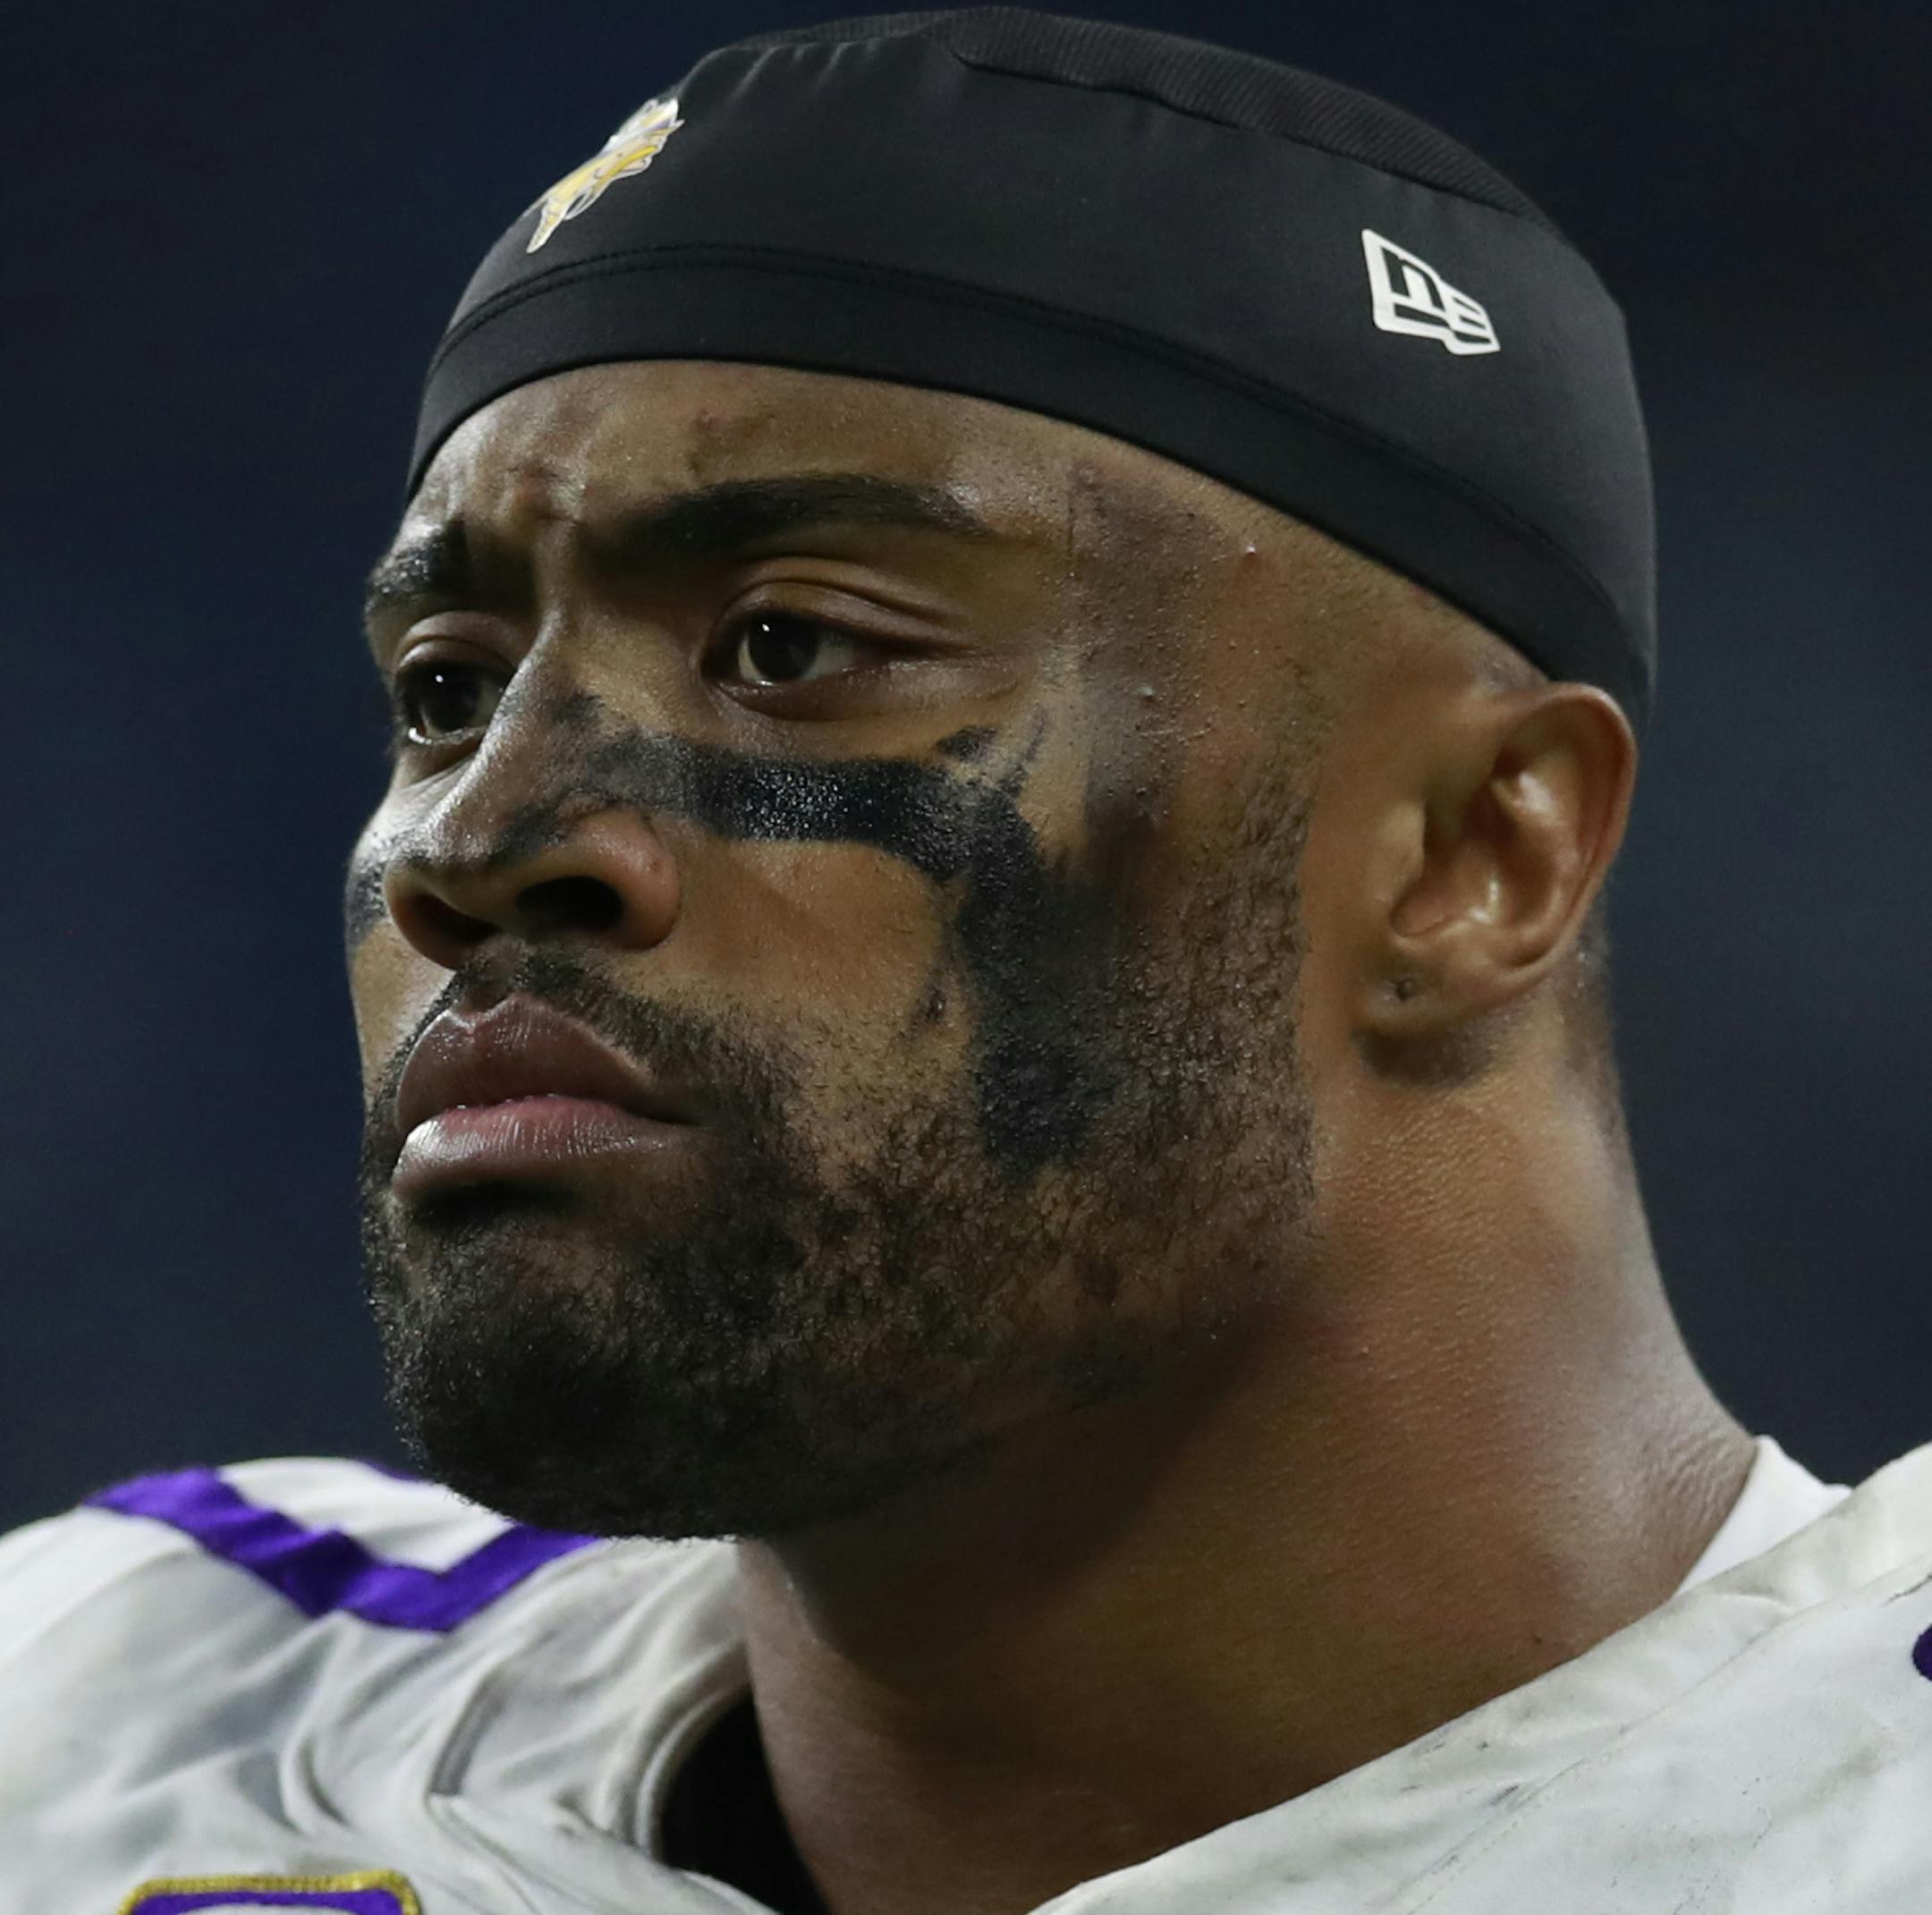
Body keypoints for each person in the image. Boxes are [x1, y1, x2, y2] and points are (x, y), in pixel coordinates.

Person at [4, 10, 1928, 1913]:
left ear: (1471, 852)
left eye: (793, 646)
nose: (473, 845)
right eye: (445, 692)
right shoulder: (106, 1722)